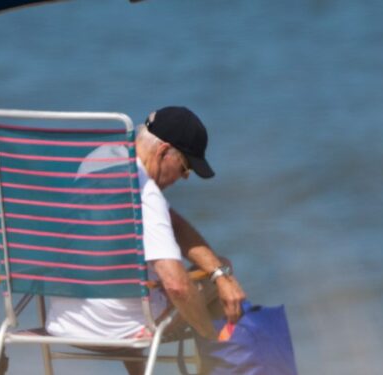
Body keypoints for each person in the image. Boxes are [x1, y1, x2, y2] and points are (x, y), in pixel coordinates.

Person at [45, 106, 247, 374]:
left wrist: (216, 271)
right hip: (119, 328)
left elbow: (172, 222)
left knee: (135, 286)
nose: (182, 179)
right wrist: (211, 332)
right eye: (185, 168)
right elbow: (177, 286)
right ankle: (219, 367)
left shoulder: (100, 160)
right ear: (163, 151)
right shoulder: (146, 195)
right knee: (213, 282)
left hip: (62, 320)